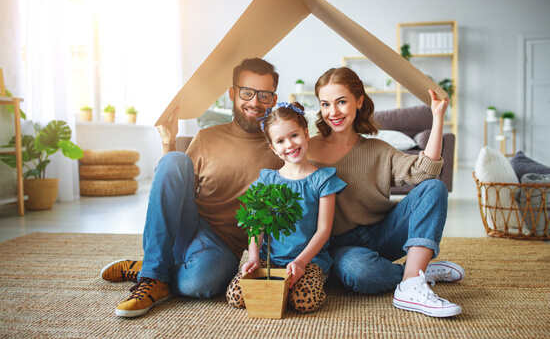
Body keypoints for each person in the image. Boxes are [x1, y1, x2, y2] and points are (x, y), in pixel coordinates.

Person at [100, 58, 285, 318]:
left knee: (200, 285)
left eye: (264, 95)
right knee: (175, 158)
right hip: (188, 227)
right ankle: (152, 276)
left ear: (273, 100)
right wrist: (169, 142)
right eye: (247, 92)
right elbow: (175, 182)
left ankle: (151, 268)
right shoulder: (207, 137)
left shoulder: (281, 147)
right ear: (232, 94)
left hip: (224, 245)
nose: (254, 102)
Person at [307, 67, 465, 318]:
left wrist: (437, 117)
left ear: (359, 101)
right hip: (340, 245)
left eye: (341, 102)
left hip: (383, 232)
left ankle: (411, 284)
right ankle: (416, 272)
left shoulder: (378, 149)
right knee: (360, 273)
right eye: (325, 104)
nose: (333, 112)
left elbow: (424, 174)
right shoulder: (306, 149)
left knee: (434, 187)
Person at [226, 102, 346, 313]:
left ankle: (317, 277)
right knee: (236, 296)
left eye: (294, 135)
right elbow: (256, 226)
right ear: (273, 148)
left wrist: (300, 262)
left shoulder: (323, 180)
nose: (289, 144)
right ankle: (272, 278)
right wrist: (253, 257)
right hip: (268, 258)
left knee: (304, 302)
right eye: (280, 141)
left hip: (308, 259)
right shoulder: (266, 180)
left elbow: (324, 230)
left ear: (306, 134)